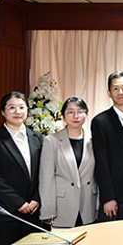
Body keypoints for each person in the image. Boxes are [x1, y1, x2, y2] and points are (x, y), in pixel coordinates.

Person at [39, 97, 98, 227]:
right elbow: (46, 179)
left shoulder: (94, 139)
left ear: (86, 114)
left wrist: (98, 204)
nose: (76, 116)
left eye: (80, 111)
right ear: (64, 116)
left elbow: (99, 174)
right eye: (70, 112)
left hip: (88, 204)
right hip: (62, 207)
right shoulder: (51, 141)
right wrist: (48, 211)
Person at [92, 70, 123, 221]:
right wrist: (108, 198)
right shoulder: (100, 122)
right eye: (115, 88)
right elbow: (101, 162)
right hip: (114, 197)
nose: (121, 92)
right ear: (109, 92)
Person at [0, 92, 43, 245]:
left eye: (21, 107)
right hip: (6, 212)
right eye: (12, 108)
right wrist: (18, 203)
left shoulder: (36, 137)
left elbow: (42, 173)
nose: (17, 112)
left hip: (32, 210)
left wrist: (37, 198)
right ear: (3, 112)